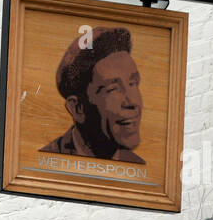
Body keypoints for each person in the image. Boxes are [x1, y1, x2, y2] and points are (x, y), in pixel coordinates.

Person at [40, 26, 145, 163]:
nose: (132, 102)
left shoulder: (136, 166)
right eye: (113, 89)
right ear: (78, 109)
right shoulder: (46, 164)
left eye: (133, 83)